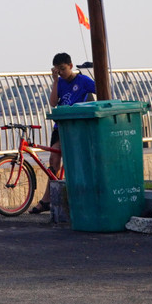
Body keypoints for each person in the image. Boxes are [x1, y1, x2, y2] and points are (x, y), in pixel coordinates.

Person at [34, 52, 97, 213]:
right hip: (60, 125)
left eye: (62, 69)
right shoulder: (60, 82)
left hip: (75, 126)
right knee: (54, 160)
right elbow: (53, 102)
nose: (61, 72)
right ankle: (47, 199)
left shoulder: (82, 81)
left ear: (70, 65)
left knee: (69, 162)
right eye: (57, 70)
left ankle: (52, 199)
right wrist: (55, 81)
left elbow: (100, 89)